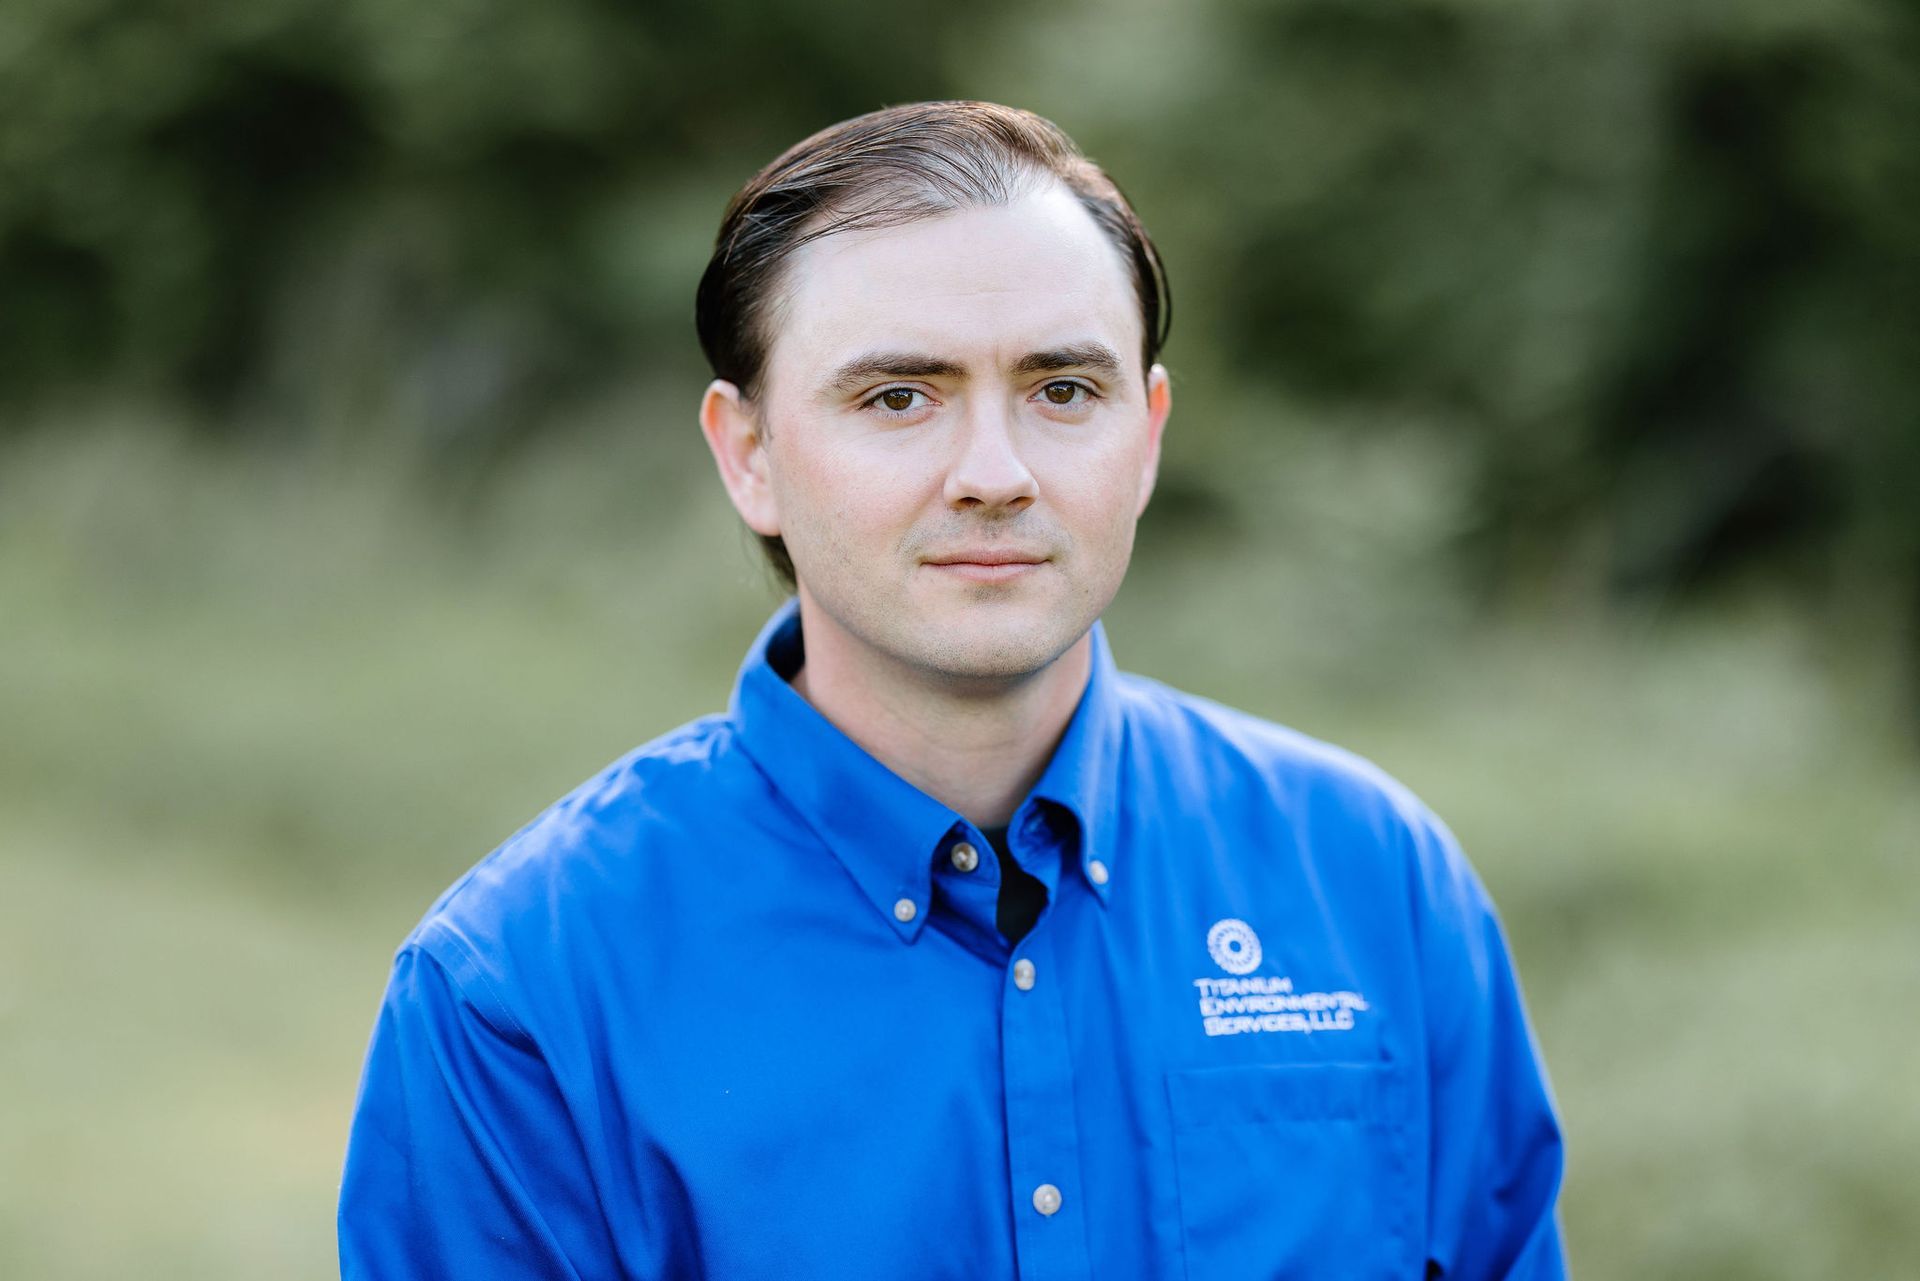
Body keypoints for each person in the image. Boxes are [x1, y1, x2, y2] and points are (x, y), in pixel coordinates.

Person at [338, 100, 1567, 1279]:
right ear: (750, 455)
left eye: (1063, 390)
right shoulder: (521, 993)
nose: (994, 472)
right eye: (898, 397)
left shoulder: (1374, 887)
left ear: (1146, 434)